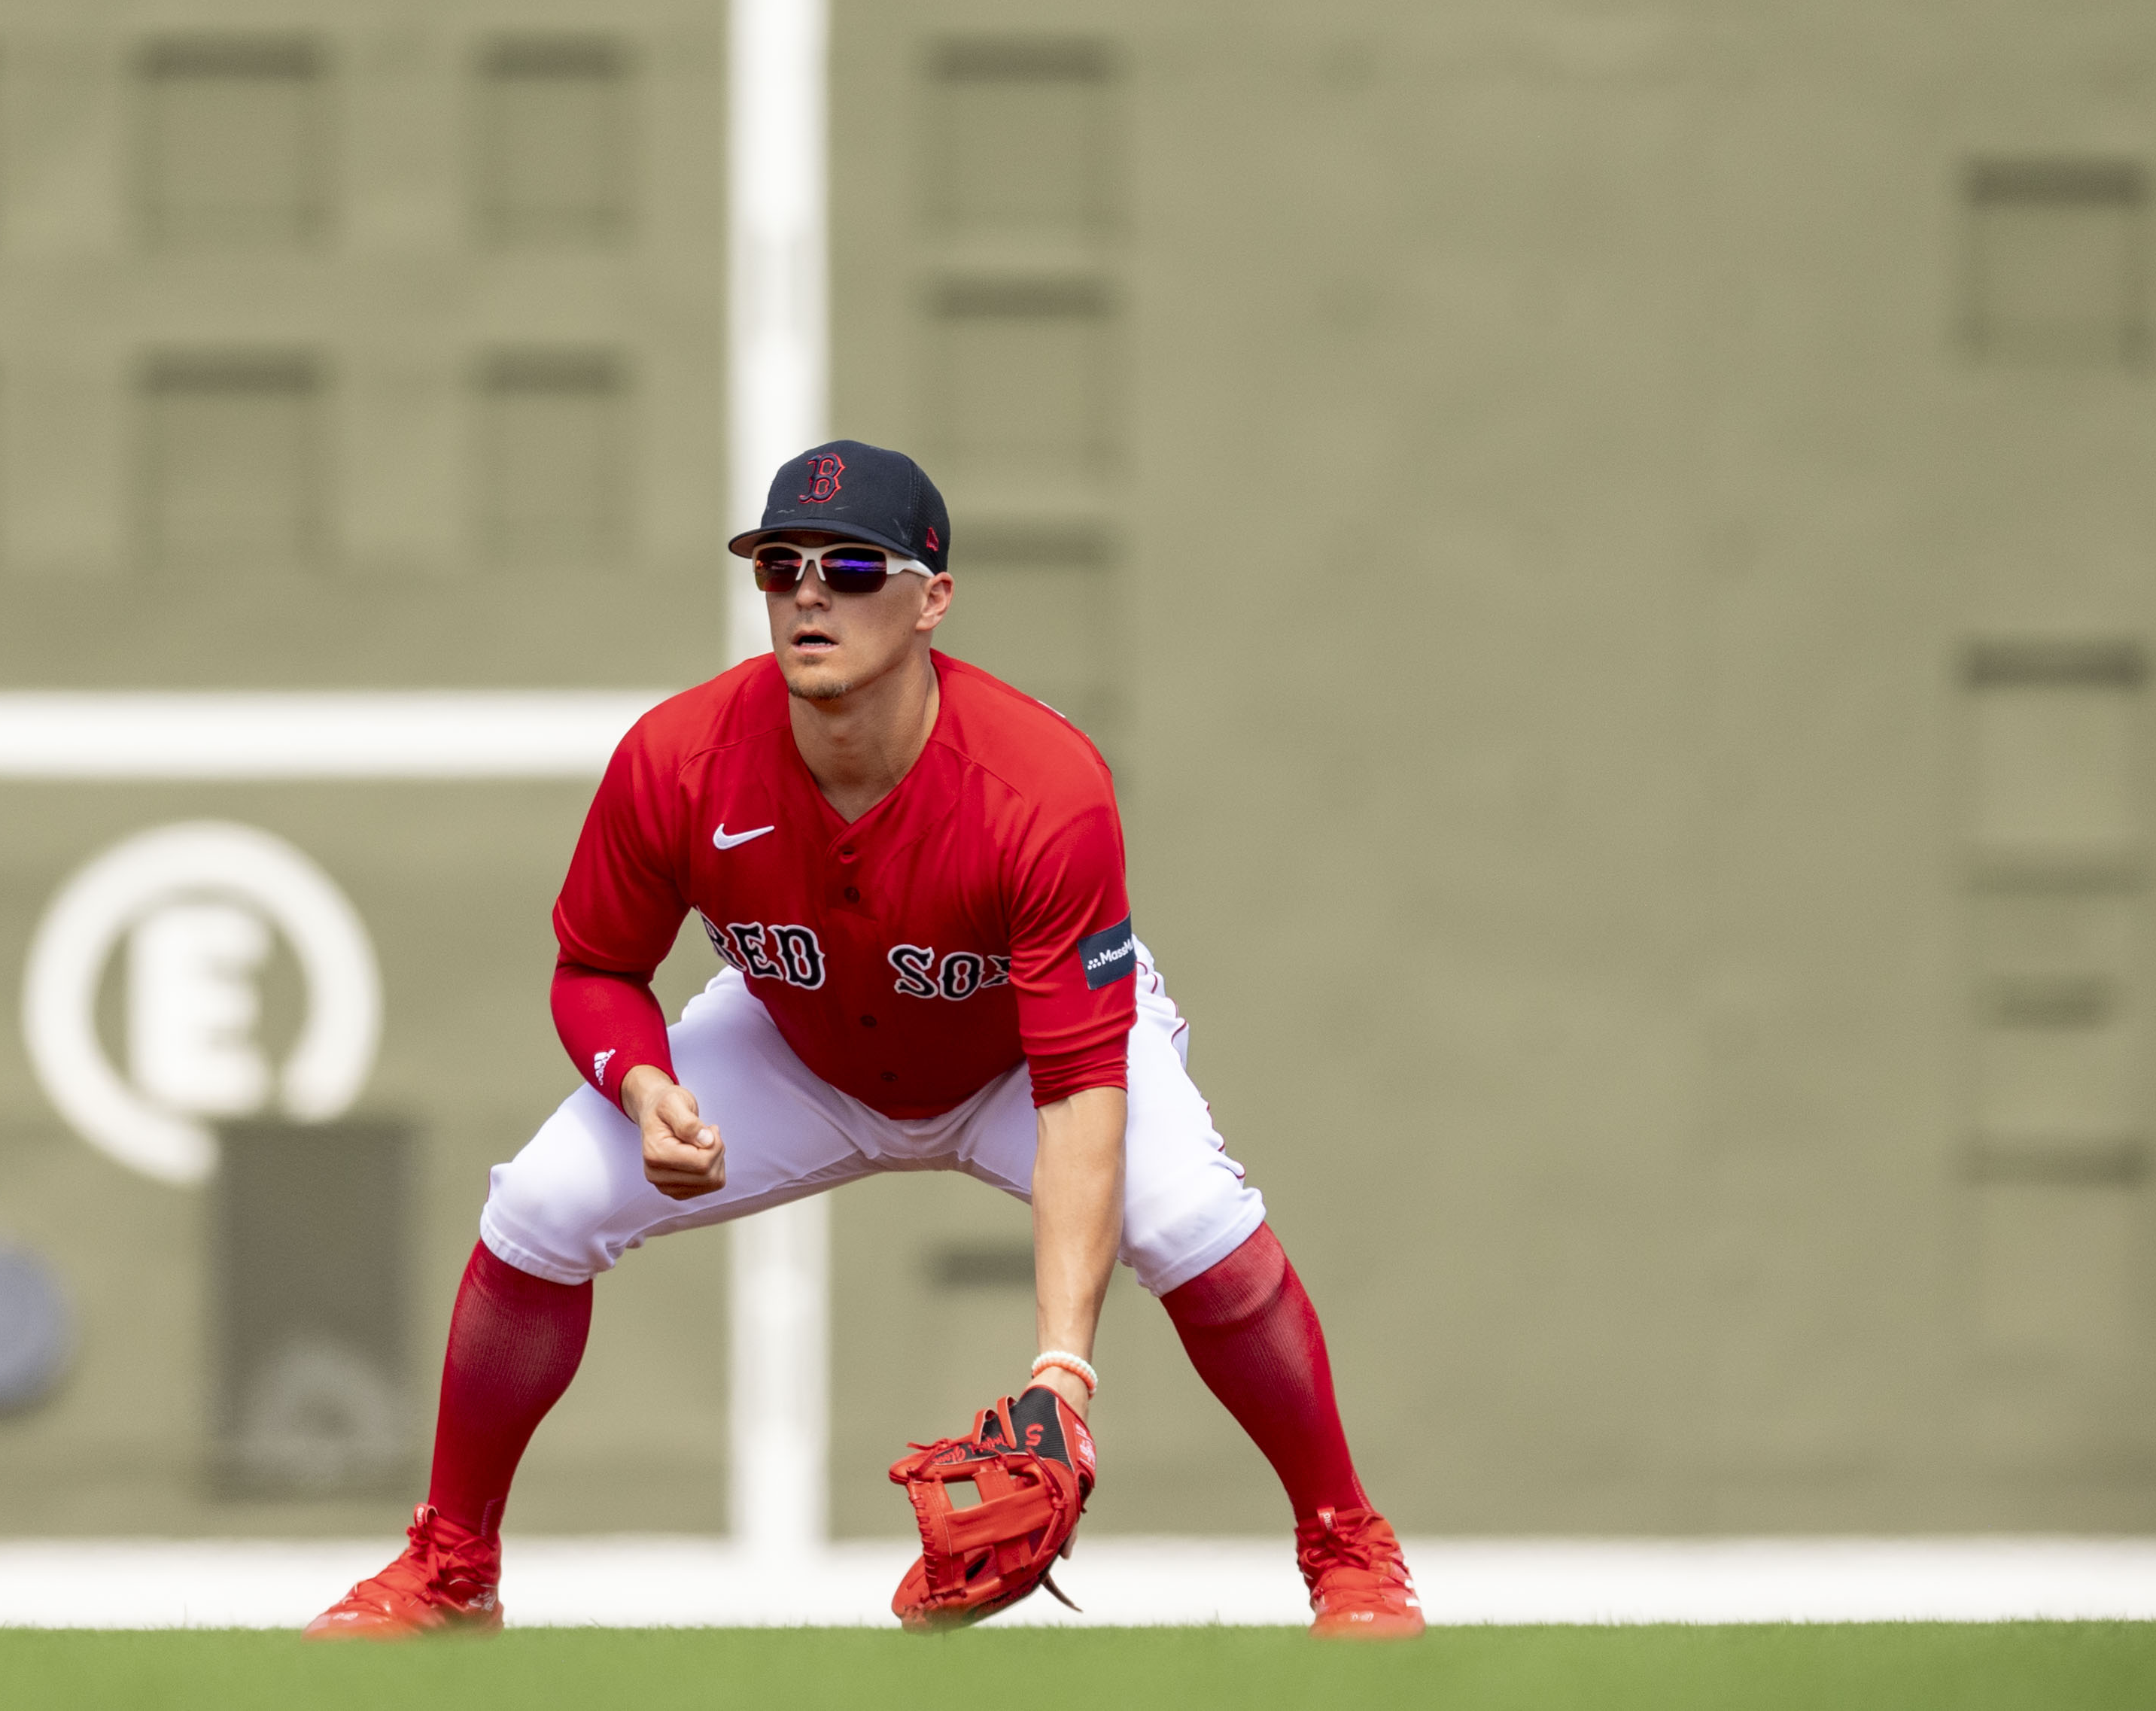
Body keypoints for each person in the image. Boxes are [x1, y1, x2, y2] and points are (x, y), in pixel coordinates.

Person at [306, 438, 1421, 1639]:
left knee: (1197, 1225)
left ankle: (1347, 1550)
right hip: (796, 1042)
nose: (807, 592)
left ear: (932, 596)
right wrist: (634, 1081)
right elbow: (595, 968)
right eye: (778, 564)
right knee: (537, 1209)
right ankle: (454, 1566)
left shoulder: (1042, 787)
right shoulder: (677, 760)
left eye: (849, 563)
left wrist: (1061, 1371)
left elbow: (1081, 1088)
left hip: (1019, 1062)